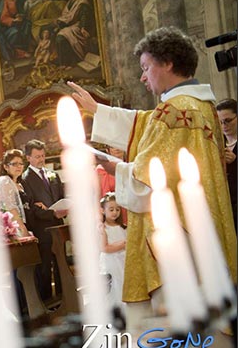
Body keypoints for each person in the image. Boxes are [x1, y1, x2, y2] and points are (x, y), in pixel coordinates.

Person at [68, 26, 237, 326]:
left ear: (168, 63)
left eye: (146, 67)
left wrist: (111, 167)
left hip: (176, 234)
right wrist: (98, 110)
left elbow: (147, 183)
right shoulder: (201, 105)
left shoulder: (172, 111)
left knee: (180, 325)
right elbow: (145, 124)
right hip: (202, 225)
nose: (142, 77)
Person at [20, 139, 68, 305]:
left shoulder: (52, 174)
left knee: (62, 264)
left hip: (58, 226)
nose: (41, 159)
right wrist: (51, 213)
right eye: (37, 156)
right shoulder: (24, 179)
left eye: (42, 155)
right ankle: (47, 302)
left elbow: (61, 197)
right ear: (28, 158)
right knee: (45, 267)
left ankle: (65, 297)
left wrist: (64, 208)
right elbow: (31, 208)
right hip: (42, 229)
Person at [0, 149, 33, 317]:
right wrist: (24, 231)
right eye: (14, 164)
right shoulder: (4, 181)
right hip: (12, 229)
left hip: (19, 227)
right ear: (5, 166)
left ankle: (26, 305)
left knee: (22, 270)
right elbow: (11, 210)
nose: (18, 166)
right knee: (15, 270)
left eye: (20, 163)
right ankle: (17, 309)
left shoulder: (19, 183)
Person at [98, 193, 127, 319]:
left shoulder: (123, 227)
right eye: (111, 209)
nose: (115, 212)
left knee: (124, 284)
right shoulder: (103, 228)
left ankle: (126, 311)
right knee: (115, 286)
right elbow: (104, 248)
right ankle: (114, 314)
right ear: (103, 211)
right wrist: (123, 244)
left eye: (117, 209)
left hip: (123, 260)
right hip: (111, 262)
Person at [54, 0, 92, 68]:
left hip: (78, 26)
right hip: (70, 25)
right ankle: (61, 61)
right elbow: (66, 15)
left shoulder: (82, 0)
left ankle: (69, 62)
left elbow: (84, 15)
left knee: (61, 37)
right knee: (55, 32)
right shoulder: (72, 0)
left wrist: (83, 27)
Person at [216, 98, 237, 229]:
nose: (224, 126)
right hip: (224, 205)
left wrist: (235, 162)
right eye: (220, 122)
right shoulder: (217, 142)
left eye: (228, 121)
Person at [96, 145, 127, 224]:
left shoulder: (131, 167)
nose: (117, 148)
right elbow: (97, 194)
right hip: (111, 211)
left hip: (129, 208)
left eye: (118, 145)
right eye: (113, 146)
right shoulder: (101, 170)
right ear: (107, 150)